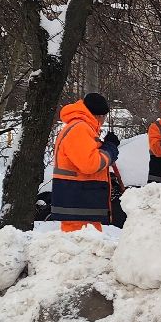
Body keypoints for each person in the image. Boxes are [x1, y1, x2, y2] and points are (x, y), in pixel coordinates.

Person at [51, 92, 114, 232]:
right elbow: (90, 164)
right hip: (78, 202)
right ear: (99, 115)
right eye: (104, 116)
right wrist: (110, 149)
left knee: (86, 245)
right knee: (80, 246)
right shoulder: (80, 129)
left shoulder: (81, 127)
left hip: (80, 203)